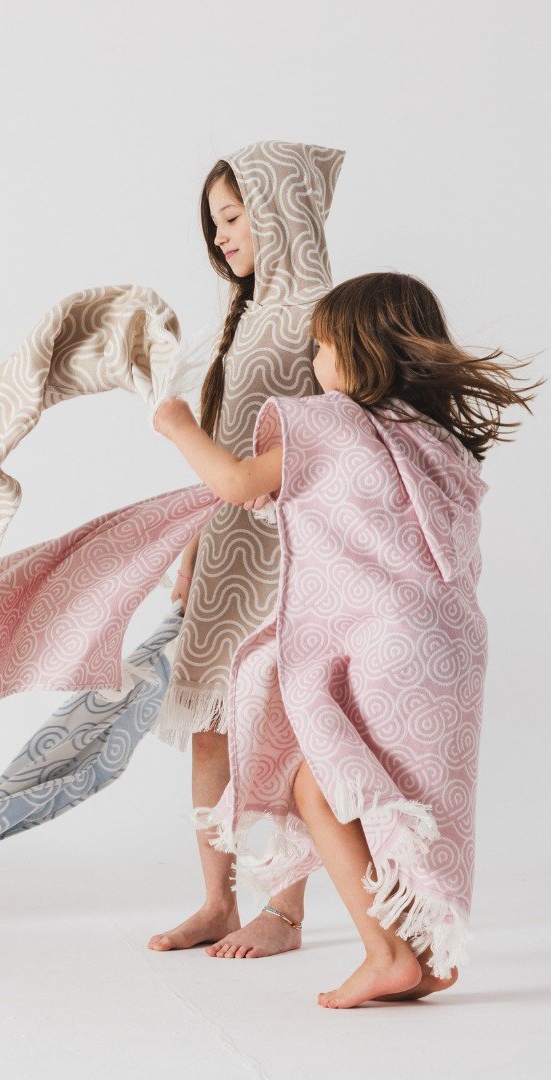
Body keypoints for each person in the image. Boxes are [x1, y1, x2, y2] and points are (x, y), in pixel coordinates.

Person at [153, 271, 540, 1006]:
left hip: (384, 641)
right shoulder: (439, 440)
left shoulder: (330, 422)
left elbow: (237, 484)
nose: (314, 362)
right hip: (452, 646)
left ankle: (382, 949)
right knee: (405, 796)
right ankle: (425, 953)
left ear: (359, 352)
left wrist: (178, 425)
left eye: (322, 345)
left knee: (319, 785)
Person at [150, 140, 345, 959]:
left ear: (280, 209)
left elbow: (339, 433)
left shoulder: (326, 312)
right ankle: (216, 900)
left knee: (275, 724)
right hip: (228, 543)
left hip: (291, 544)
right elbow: (229, 440)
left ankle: (285, 911)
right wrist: (196, 546)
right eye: (214, 223)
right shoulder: (246, 312)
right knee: (208, 723)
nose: (222, 237)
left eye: (233, 217)